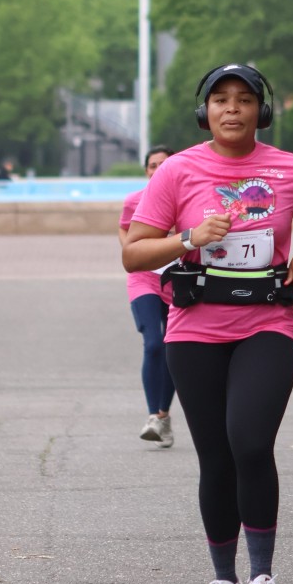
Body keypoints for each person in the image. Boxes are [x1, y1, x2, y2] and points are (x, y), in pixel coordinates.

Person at [123, 63, 293, 584]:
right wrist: (187, 238)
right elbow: (134, 253)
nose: (232, 109)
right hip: (195, 330)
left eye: (245, 100)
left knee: (250, 442)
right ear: (205, 112)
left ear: (261, 111)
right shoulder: (177, 171)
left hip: (267, 324)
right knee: (216, 457)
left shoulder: (291, 169)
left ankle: (262, 582)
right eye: (221, 100)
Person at [119, 147, 177, 447]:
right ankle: (153, 415)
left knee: (174, 347)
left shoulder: (186, 198)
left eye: (163, 164)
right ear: (146, 171)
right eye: (152, 165)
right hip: (144, 278)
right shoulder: (134, 200)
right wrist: (132, 253)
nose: (157, 170)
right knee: (154, 343)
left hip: (178, 280)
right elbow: (124, 229)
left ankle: (163, 416)